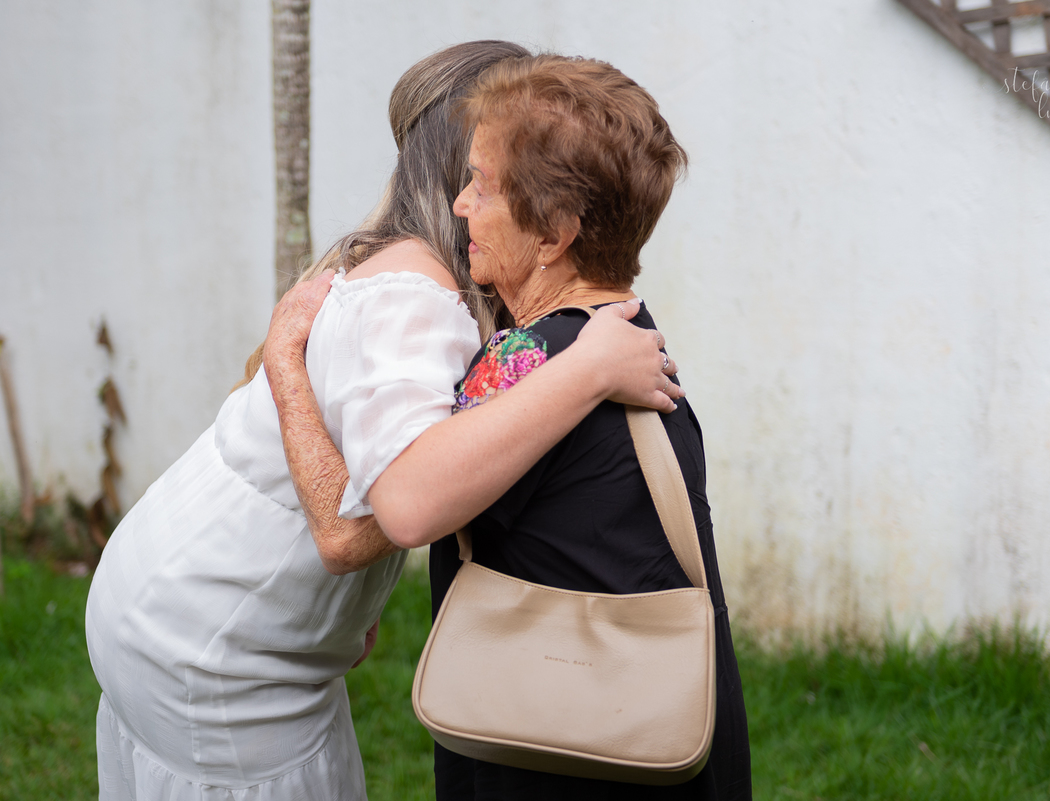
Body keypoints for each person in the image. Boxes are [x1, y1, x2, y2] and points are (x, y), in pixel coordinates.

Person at [84, 41, 681, 801]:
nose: (470, 199)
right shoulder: (414, 294)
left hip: (182, 601)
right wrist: (587, 370)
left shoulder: (408, 271)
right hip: (214, 641)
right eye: (480, 172)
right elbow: (356, 526)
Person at [266, 54, 752, 800]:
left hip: (552, 748)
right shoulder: (630, 337)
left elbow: (408, 504)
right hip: (667, 737)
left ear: (553, 232)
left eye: (481, 184)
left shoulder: (526, 362)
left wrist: (286, 361)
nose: (460, 204)